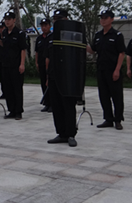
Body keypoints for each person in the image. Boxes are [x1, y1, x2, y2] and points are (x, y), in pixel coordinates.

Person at [46, 9, 82, 147]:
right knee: (57, 106)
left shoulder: (72, 35)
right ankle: (61, 133)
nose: (56, 21)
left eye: (59, 18)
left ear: (66, 19)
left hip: (68, 76)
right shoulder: (51, 37)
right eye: (55, 19)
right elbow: (48, 57)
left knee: (68, 106)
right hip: (54, 76)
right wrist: (48, 76)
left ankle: (71, 134)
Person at [87, 10, 125, 130]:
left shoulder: (117, 35)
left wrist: (117, 70)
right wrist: (82, 44)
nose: (103, 20)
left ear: (112, 19)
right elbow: (93, 50)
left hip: (113, 69)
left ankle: (118, 119)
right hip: (101, 69)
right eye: (101, 18)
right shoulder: (98, 35)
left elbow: (121, 53)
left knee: (116, 96)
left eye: (105, 18)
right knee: (103, 95)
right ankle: (108, 119)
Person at [0, 11, 27, 120]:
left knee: (17, 88)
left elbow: (23, 49)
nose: (7, 21)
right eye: (6, 19)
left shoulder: (19, 33)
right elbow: (5, 44)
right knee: (8, 89)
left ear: (14, 20)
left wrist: (22, 64)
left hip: (16, 65)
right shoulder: (5, 32)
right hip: (5, 64)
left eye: (9, 19)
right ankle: (11, 110)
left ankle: (18, 111)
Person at [35, 18, 52, 112]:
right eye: (42, 26)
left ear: (49, 26)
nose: (44, 28)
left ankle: (52, 104)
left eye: (46, 25)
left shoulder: (52, 37)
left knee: (50, 84)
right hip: (41, 64)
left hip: (50, 65)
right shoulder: (39, 38)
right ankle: (47, 103)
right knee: (43, 83)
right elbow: (37, 52)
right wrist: (36, 63)